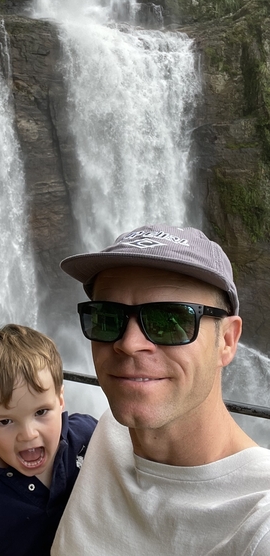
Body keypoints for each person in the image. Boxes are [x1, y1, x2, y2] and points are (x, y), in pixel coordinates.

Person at [51, 224, 270, 555]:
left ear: (226, 340)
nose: (129, 344)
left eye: (171, 320)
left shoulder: (258, 523)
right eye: (107, 317)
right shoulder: (107, 432)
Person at [0, 323, 97, 556]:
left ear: (60, 399)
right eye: (5, 421)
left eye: (41, 412)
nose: (28, 434)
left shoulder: (88, 438)